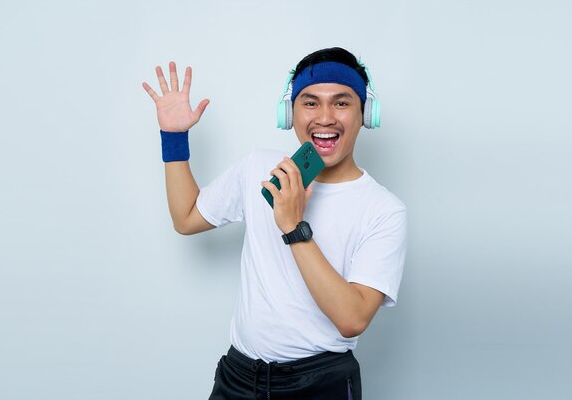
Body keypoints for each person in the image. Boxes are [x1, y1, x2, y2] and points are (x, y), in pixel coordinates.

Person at [142, 47, 407, 400]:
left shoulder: (384, 210)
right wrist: (174, 138)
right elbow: (187, 217)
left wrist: (293, 226)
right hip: (238, 377)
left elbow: (352, 318)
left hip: (319, 384)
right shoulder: (258, 168)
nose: (325, 117)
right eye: (310, 103)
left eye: (341, 103)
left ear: (365, 114)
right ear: (289, 114)